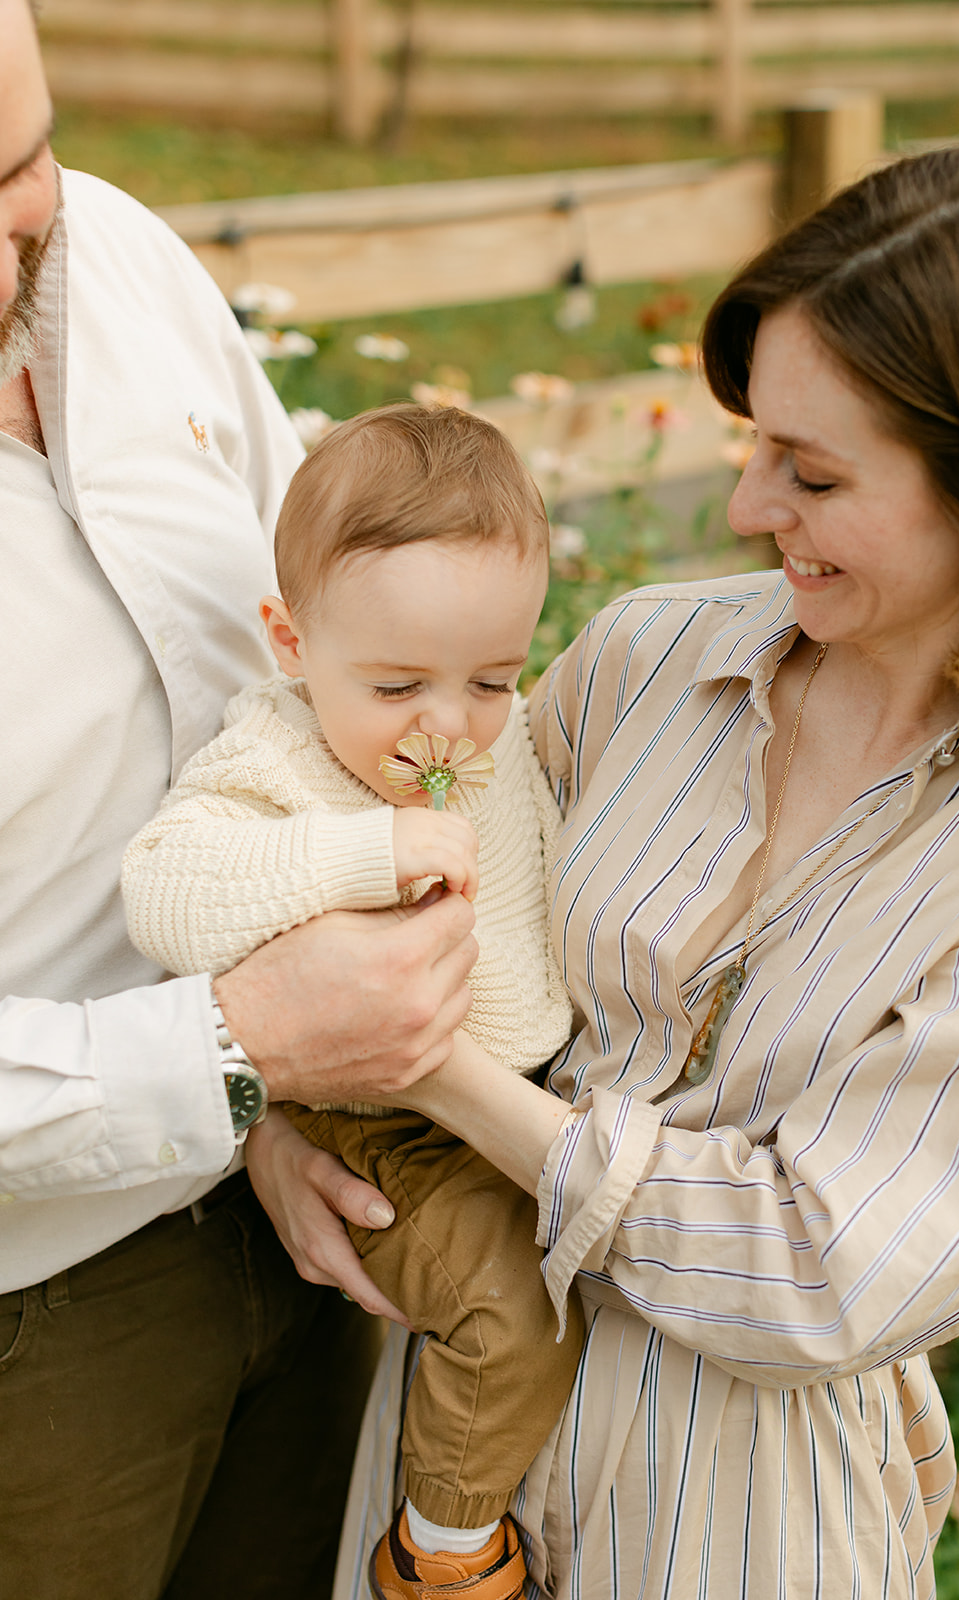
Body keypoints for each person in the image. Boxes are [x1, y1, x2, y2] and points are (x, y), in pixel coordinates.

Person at [327, 141, 959, 1599]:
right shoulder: (643, 659)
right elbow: (392, 900)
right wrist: (291, 1137)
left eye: (808, 472)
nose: (741, 506)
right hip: (439, 1462)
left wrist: (430, 1073)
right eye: (749, 442)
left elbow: (813, 1268)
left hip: (744, 1526)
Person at [0, 6, 477, 1597]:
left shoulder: (113, 258)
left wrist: (282, 1099)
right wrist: (234, 1045)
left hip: (291, 1205)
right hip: (36, 1316)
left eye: (19, 159)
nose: (16, 262)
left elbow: (308, 625)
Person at [121, 403, 584, 1600]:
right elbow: (163, 896)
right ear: (290, 639)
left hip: (507, 1093)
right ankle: (437, 1549)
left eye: (491, 675)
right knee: (507, 1308)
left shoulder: (496, 740)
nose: (445, 723)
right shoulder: (274, 759)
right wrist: (361, 855)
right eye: (394, 683)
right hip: (380, 1119)